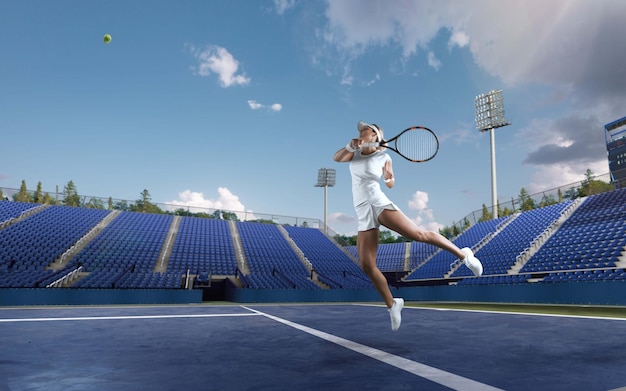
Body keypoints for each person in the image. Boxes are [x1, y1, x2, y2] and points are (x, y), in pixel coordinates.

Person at [333, 121, 483, 331]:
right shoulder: (354, 153)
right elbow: (337, 158)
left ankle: (464, 255)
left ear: (375, 135)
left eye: (365, 130)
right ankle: (393, 304)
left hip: (378, 203)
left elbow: (391, 182)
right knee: (367, 265)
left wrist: (389, 178)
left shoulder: (384, 156)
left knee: (418, 234)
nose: (361, 132)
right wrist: (351, 146)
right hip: (361, 210)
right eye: (359, 130)